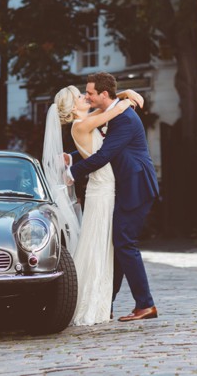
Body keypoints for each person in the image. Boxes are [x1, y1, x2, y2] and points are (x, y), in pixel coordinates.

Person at [42, 84, 141, 326]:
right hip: (102, 192)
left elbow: (106, 108)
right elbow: (113, 112)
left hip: (106, 188)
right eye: (80, 96)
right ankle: (91, 302)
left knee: (104, 246)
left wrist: (123, 93)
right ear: (72, 107)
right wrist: (127, 100)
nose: (86, 97)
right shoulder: (82, 124)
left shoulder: (87, 120)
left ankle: (102, 301)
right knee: (98, 246)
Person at [66, 72, 159, 323]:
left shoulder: (124, 119)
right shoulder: (115, 112)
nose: (87, 96)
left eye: (91, 93)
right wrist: (73, 157)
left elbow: (104, 155)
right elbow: (97, 145)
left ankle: (145, 305)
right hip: (126, 186)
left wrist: (71, 173)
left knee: (124, 243)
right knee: (118, 245)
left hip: (136, 186)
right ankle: (107, 302)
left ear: (103, 95)